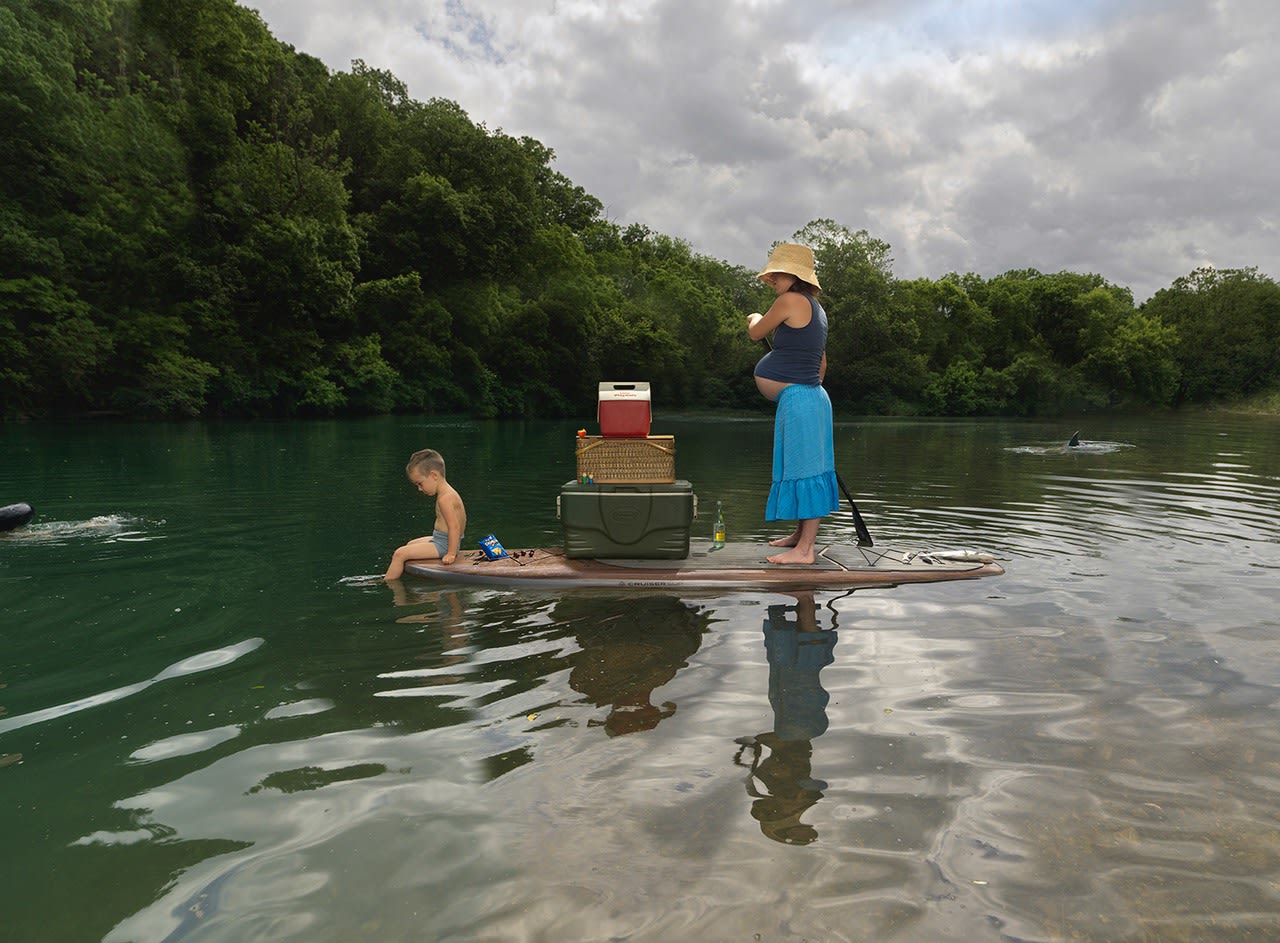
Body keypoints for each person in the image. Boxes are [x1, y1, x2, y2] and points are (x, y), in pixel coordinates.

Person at [746, 243, 840, 564]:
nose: (771, 281)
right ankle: (800, 537)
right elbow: (822, 362)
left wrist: (755, 316)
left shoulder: (789, 300)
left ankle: (805, 551)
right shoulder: (817, 309)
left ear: (793, 275)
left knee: (806, 471)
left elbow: (757, 333)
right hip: (808, 398)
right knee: (801, 468)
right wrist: (808, 395)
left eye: (776, 275)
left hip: (802, 398)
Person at [383, 448, 467, 580]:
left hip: (445, 545)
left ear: (434, 475)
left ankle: (387, 583)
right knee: (410, 544)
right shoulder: (447, 493)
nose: (419, 489)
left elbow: (454, 527)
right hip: (440, 539)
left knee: (399, 554)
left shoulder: (445, 499)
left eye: (420, 483)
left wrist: (451, 553)